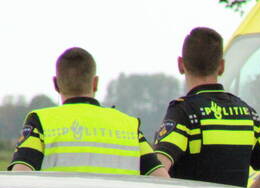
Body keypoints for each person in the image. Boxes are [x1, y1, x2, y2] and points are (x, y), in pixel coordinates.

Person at [153, 27, 260, 188]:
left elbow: (157, 169)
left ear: (181, 65)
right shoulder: (247, 114)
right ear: (221, 66)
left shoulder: (184, 113)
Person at [8, 47, 167, 177]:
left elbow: (20, 178)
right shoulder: (129, 127)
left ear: (56, 84)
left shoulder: (41, 122)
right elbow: (161, 180)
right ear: (95, 83)